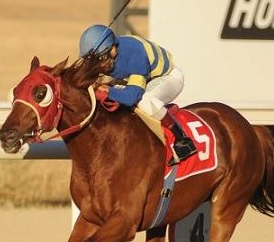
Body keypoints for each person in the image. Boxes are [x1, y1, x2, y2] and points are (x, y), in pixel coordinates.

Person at [78, 24, 198, 162]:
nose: (98, 66)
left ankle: (181, 139)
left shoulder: (134, 55)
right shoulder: (105, 53)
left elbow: (132, 97)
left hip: (168, 77)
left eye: (101, 59)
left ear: (113, 49)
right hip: (142, 78)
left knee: (143, 101)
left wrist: (108, 92)